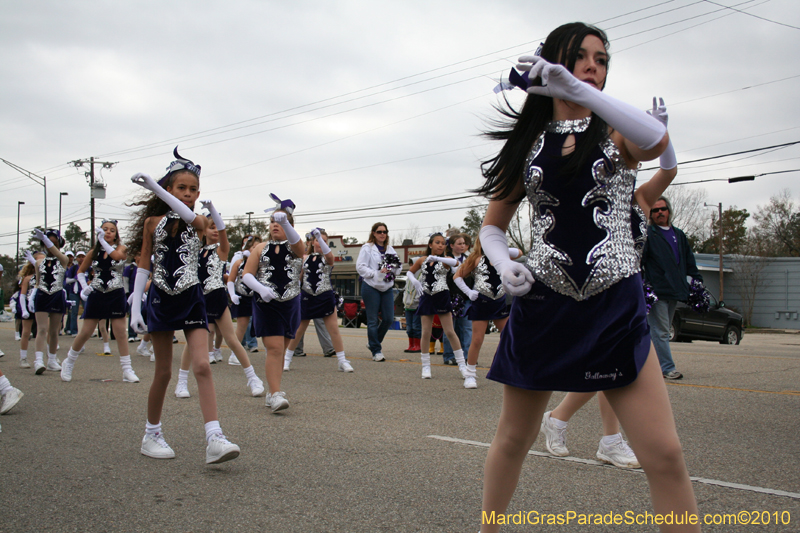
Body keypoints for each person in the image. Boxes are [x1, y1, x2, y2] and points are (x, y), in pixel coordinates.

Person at [475, 22, 699, 532]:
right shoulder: (528, 144)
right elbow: (493, 225)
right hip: (544, 305)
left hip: (614, 308)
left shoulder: (615, 131)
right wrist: (504, 260)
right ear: (554, 59)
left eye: (601, 58)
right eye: (581, 56)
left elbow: (657, 139)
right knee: (514, 438)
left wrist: (579, 92)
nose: (594, 64)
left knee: (664, 453)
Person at [538, 97, 679, 469]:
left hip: (629, 289)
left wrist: (663, 131)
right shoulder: (598, 190)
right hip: (596, 290)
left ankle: (591, 432)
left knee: (614, 367)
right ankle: (592, 432)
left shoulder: (643, 197)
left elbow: (670, 168)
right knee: (609, 367)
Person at [128, 147, 240, 464]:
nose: (189, 194)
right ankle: (151, 434)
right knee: (162, 372)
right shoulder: (152, 222)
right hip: (161, 298)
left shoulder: (199, 221)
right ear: (171, 188)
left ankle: (214, 437)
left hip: (192, 297)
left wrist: (155, 186)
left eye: (193, 189)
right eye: (182, 188)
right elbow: (144, 264)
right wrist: (136, 305)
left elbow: (191, 217)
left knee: (202, 365)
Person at [173, 203, 265, 399]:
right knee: (191, 343)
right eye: (211, 227)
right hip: (197, 299)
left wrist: (213, 211)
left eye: (217, 227)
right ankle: (181, 381)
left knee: (232, 339)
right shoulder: (195, 250)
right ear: (203, 229)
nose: (215, 231)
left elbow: (223, 233)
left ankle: (253, 378)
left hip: (216, 297)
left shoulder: (221, 250)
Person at [241, 194, 306, 413]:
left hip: (291, 303)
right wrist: (261, 289)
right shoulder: (259, 248)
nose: (275, 225)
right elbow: (247, 275)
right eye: (272, 222)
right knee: (275, 348)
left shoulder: (296, 245)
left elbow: (300, 248)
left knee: (282, 347)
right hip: (266, 303)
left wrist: (285, 220)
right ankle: (276, 394)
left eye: (280, 222)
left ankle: (272, 392)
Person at [60, 220, 140, 384]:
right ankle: (68, 362)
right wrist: (84, 288)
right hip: (97, 294)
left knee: (120, 333)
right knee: (86, 332)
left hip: (116, 293)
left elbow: (117, 257)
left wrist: (103, 241)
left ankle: (127, 369)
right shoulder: (93, 253)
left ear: (116, 233)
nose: (108, 232)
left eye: (112, 230)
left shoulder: (121, 248)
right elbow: (81, 272)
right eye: (105, 230)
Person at [642, 196, 702, 380]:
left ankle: (646, 366)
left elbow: (688, 260)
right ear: (651, 214)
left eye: (663, 209)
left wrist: (696, 281)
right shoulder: (648, 234)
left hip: (675, 290)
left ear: (669, 211)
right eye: (655, 210)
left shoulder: (679, 234)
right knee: (660, 331)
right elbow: (640, 261)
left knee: (660, 330)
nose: (660, 212)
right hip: (657, 290)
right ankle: (667, 368)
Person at [452, 237, 519, 389]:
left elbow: (519, 252)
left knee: (510, 335)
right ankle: (470, 374)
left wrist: (499, 249)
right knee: (477, 339)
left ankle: (509, 368)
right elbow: (457, 276)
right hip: (481, 302)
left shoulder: (503, 255)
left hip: (499, 302)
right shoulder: (476, 258)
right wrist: (469, 292)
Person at [284, 228, 353, 373]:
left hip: (325, 295)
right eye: (318, 240)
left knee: (333, 329)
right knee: (299, 329)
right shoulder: (304, 258)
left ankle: (342, 360)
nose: (321, 243)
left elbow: (330, 257)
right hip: (307, 296)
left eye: (325, 241)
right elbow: (299, 277)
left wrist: (320, 239)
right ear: (312, 242)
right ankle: (287, 359)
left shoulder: (328, 257)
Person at [405, 232, 467, 380]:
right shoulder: (422, 260)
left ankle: (462, 366)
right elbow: (409, 272)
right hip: (426, 296)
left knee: (450, 331)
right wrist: (415, 281)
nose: (440, 245)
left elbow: (456, 264)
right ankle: (426, 366)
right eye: (437, 242)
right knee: (426, 332)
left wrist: (438, 258)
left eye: (442, 243)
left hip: (442, 295)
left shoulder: (446, 259)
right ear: (430, 244)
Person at [356, 222, 401, 362]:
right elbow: (360, 267)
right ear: (374, 233)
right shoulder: (367, 248)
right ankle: (376, 350)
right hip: (371, 286)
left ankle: (373, 342)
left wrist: (392, 270)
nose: (382, 234)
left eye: (385, 232)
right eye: (379, 231)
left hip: (386, 287)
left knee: (388, 318)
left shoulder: (390, 249)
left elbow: (398, 267)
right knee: (373, 320)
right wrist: (375, 273)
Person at [31, 229, 70, 375]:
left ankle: (52, 359)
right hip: (42, 295)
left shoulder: (63, 260)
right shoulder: (39, 262)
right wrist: (32, 295)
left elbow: (59, 255)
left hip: (57, 295)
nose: (50, 246)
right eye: (47, 243)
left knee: (54, 331)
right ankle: (38, 360)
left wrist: (48, 240)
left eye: (54, 243)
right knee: (41, 329)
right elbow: (37, 281)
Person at [227, 234, 262, 363]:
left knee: (264, 325)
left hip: (257, 298)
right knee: (241, 326)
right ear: (248, 248)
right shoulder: (239, 263)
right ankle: (234, 354)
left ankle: (272, 350)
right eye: (254, 247)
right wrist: (232, 295)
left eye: (259, 247)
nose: (256, 249)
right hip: (242, 297)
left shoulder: (262, 265)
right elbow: (230, 280)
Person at [441, 233, 473, 365]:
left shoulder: (470, 259)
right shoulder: (446, 260)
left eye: (464, 244)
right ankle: (449, 356)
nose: (462, 246)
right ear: (452, 245)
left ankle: (467, 356)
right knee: (450, 328)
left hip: (466, 299)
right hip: (450, 298)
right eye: (459, 243)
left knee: (467, 328)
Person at [16, 256, 38, 368]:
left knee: (45, 331)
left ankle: (48, 357)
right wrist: (24, 309)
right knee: (26, 332)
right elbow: (22, 295)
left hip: (41, 306)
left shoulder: (45, 277)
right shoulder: (28, 278)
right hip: (29, 307)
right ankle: (23, 358)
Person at [402, 260, 421, 353]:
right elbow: (405, 291)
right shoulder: (408, 279)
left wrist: (416, 300)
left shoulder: (421, 277)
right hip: (408, 305)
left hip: (417, 306)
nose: (411, 267)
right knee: (409, 327)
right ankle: (411, 344)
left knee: (416, 326)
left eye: (413, 265)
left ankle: (418, 345)